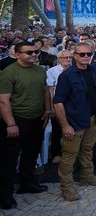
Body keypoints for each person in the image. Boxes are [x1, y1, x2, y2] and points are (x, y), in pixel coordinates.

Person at [0, 42, 50, 210]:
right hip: (17, 120)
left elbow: (45, 91)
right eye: (29, 52)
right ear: (18, 54)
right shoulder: (8, 73)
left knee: (31, 153)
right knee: (9, 159)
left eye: (36, 51)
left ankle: (27, 183)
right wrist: (10, 123)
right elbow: (3, 100)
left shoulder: (40, 70)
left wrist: (48, 110)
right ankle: (5, 196)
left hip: (37, 119)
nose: (34, 54)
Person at [52, 42, 96, 202]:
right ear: (75, 56)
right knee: (69, 155)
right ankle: (67, 188)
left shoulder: (94, 71)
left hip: (92, 118)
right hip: (74, 121)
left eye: (88, 54)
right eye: (82, 54)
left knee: (88, 149)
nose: (86, 57)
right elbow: (58, 102)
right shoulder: (67, 76)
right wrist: (65, 125)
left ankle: (86, 176)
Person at [46, 50, 73, 163]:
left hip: (73, 104)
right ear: (59, 59)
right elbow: (50, 90)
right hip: (58, 104)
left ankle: (71, 153)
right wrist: (52, 106)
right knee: (57, 129)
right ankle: (56, 153)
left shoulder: (75, 69)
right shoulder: (52, 71)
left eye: (69, 57)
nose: (67, 60)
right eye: (64, 57)